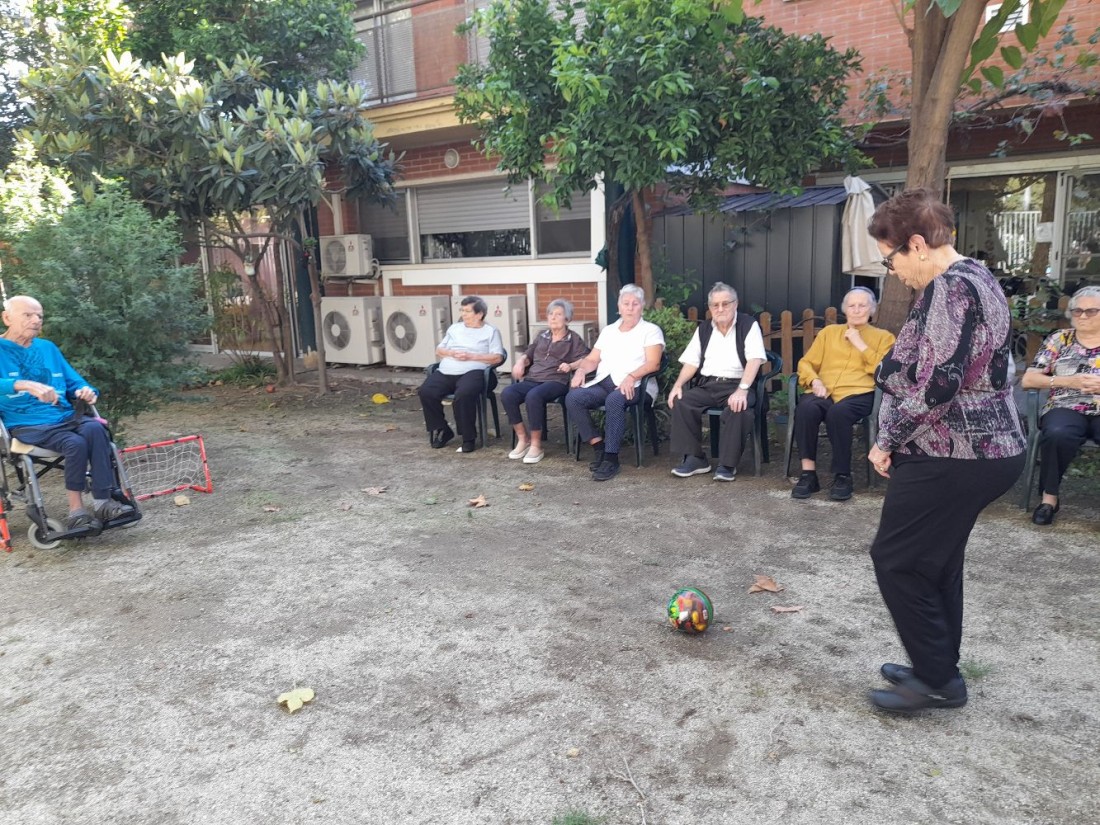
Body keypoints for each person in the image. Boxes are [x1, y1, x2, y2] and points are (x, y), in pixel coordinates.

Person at [865, 188, 1025, 714]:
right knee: (935, 562)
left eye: (890, 259)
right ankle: (937, 667)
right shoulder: (979, 276)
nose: (893, 271)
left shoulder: (949, 289)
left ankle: (936, 679)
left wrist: (886, 439)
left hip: (955, 451)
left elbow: (939, 384)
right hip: (986, 448)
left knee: (896, 560)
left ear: (916, 244)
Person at [0, 295, 135, 532]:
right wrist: (22, 384)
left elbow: (75, 381)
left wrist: (86, 391)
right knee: (75, 443)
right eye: (28, 315)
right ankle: (77, 512)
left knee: (96, 428)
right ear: (7, 318)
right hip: (27, 424)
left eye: (40, 316)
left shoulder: (47, 348)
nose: (36, 320)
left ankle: (103, 502)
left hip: (63, 418)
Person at [790, 287, 896, 501]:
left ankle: (843, 475)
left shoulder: (884, 337)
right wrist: (814, 380)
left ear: (872, 310)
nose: (856, 310)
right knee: (807, 408)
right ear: (844, 310)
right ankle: (808, 474)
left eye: (862, 305)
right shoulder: (828, 333)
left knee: (839, 413)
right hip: (825, 390)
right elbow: (806, 363)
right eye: (851, 306)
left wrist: (860, 345)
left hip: (861, 393)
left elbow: (885, 371)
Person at [665, 283, 766, 482]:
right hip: (709, 385)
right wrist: (677, 385)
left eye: (725, 304)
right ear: (710, 308)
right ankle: (696, 458)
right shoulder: (704, 329)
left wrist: (742, 389)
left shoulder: (748, 325)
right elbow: (691, 362)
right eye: (715, 305)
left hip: (738, 384)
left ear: (735, 304)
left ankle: (727, 464)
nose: (720, 309)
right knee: (681, 401)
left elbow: (754, 359)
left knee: (739, 407)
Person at [565, 285, 664, 482]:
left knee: (614, 400)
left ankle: (611, 459)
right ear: (619, 307)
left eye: (635, 304)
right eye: (626, 303)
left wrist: (632, 377)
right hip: (606, 383)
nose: (630, 308)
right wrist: (581, 370)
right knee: (574, 398)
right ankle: (599, 447)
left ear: (642, 306)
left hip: (637, 386)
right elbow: (592, 359)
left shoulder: (650, 331)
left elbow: (654, 363)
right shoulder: (609, 331)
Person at [1019, 285, 1100, 526]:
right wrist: (1068, 381)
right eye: (1077, 311)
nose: (1083, 316)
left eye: (1091, 311)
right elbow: (1029, 380)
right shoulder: (1059, 339)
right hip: (1065, 405)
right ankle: (1049, 499)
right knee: (1056, 433)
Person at [502, 299, 590, 464]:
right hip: (533, 378)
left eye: (558, 314)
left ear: (567, 319)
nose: (553, 317)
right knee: (508, 393)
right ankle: (523, 438)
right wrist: (520, 362)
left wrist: (571, 365)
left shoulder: (573, 339)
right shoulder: (542, 335)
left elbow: (586, 358)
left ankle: (536, 445)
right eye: (550, 314)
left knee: (533, 396)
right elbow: (529, 354)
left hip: (556, 381)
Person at [418, 296, 506, 454]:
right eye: (462, 310)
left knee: (464, 394)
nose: (463, 314)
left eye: (467, 311)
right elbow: (439, 350)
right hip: (447, 371)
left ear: (479, 314)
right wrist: (451, 353)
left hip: (475, 371)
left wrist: (472, 356)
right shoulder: (454, 328)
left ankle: (468, 437)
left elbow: (498, 357)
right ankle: (442, 429)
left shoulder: (490, 331)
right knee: (426, 391)